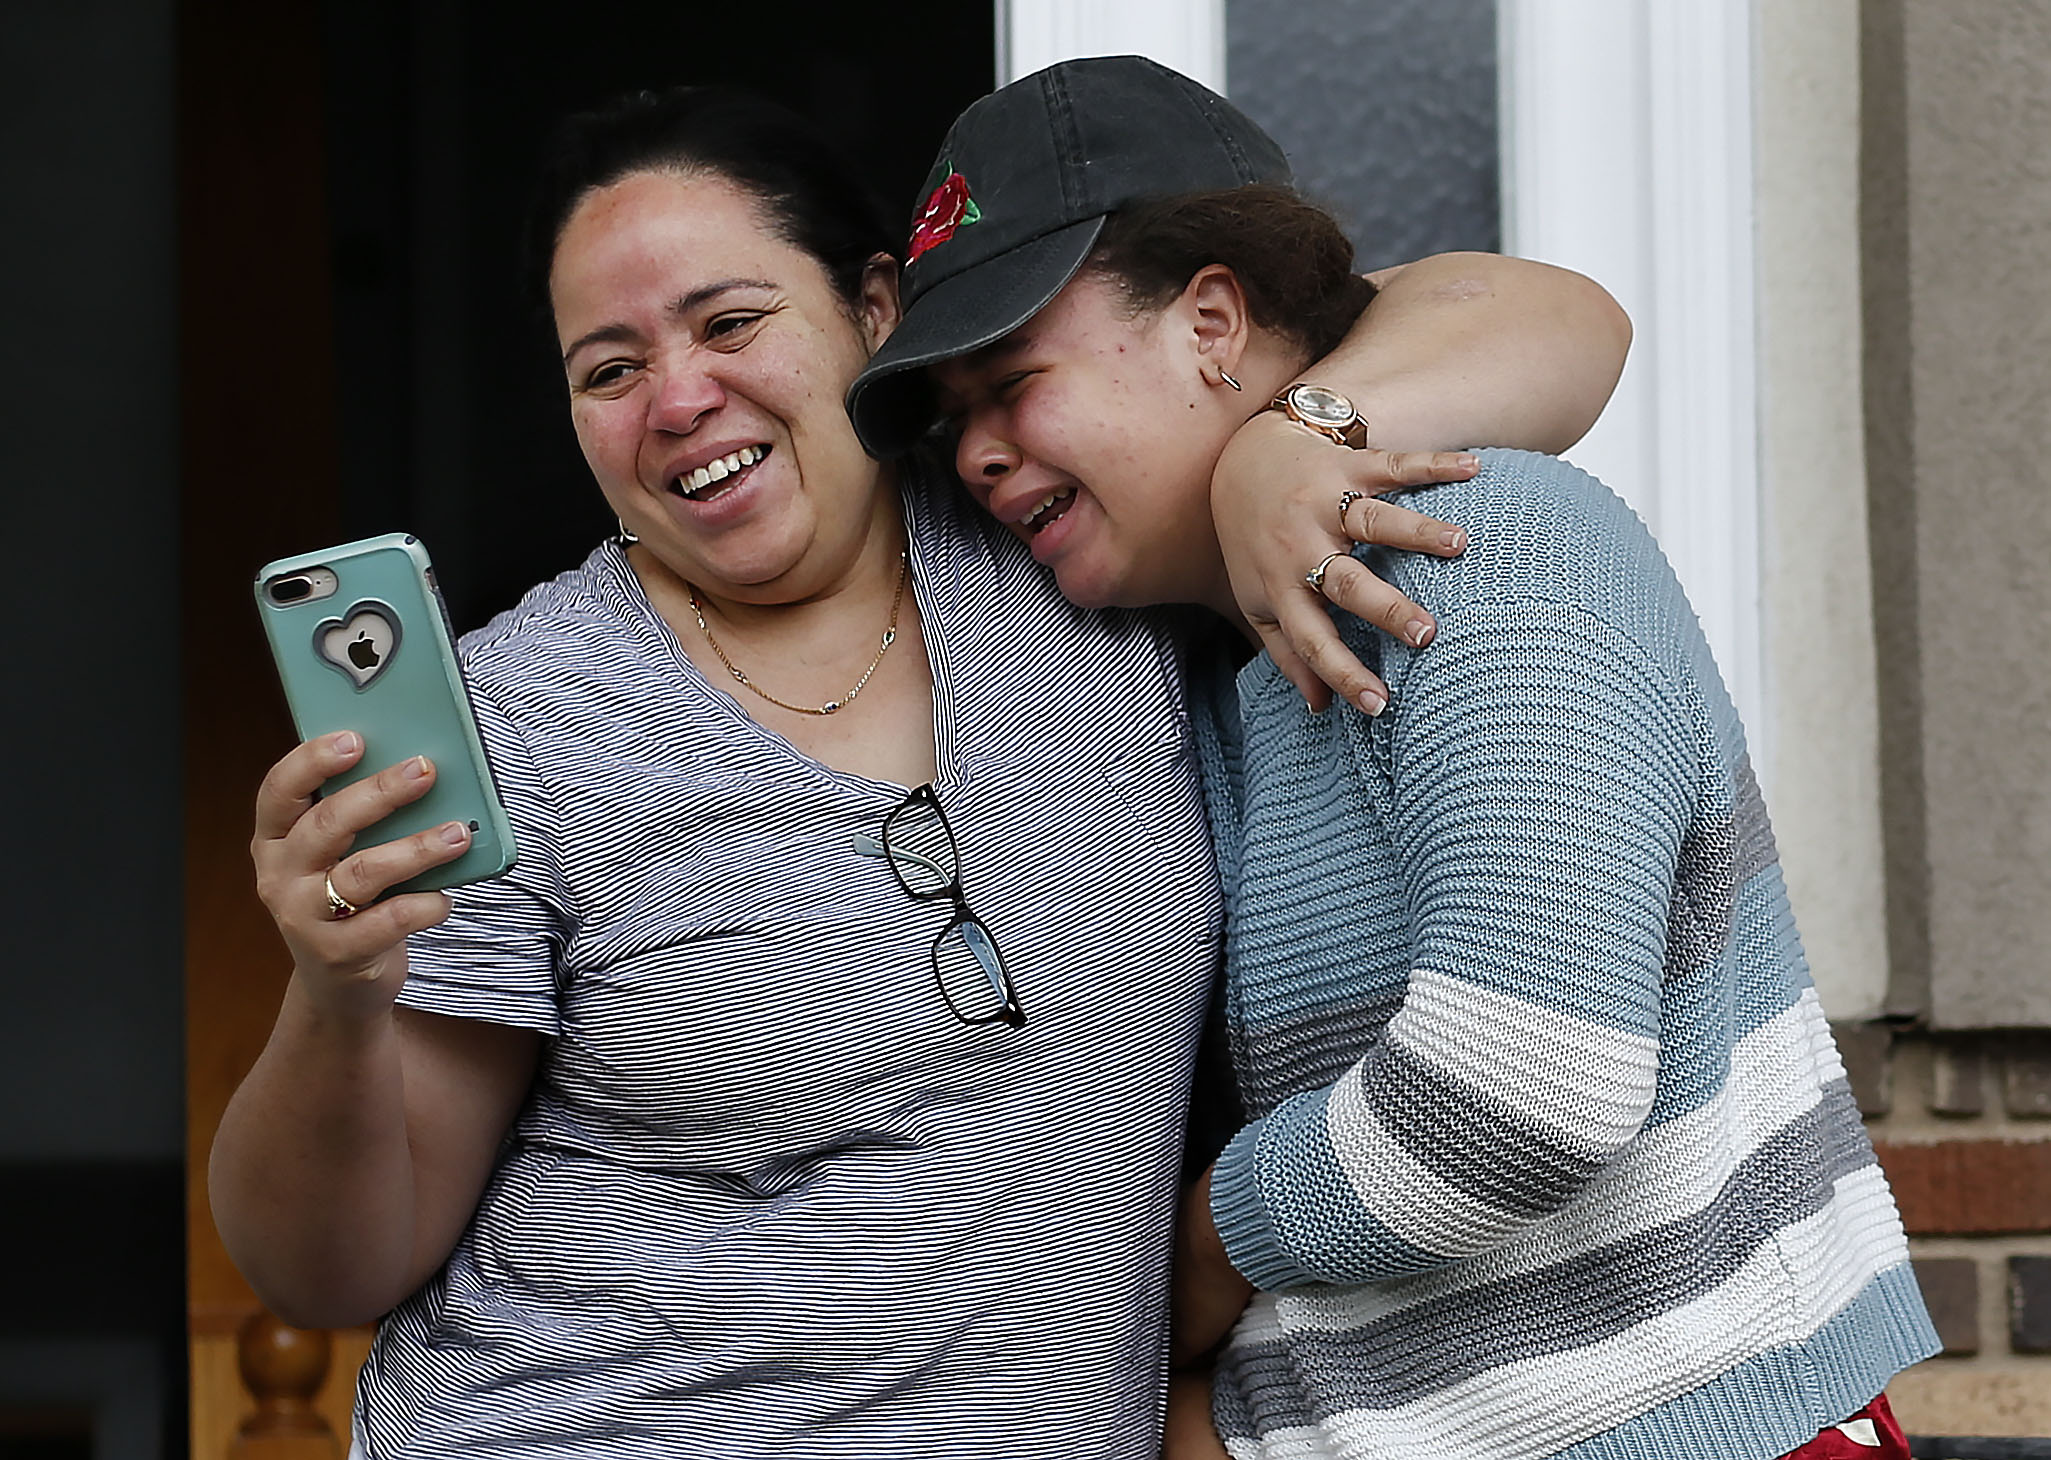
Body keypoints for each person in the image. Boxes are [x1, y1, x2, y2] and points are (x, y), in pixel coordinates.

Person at [208, 81, 1629, 1457]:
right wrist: (333, 998)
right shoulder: (524, 720)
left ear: (874, 314)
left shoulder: (1063, 536)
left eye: (732, 320)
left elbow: (1553, 321)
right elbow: (334, 1272)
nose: (681, 395)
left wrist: (1282, 444)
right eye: (611, 368)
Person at [850, 55, 1941, 1460]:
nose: (981, 459)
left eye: (1013, 382)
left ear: (1211, 323)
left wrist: (1192, 1262)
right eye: (954, 422)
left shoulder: (1483, 555)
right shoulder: (1189, 675)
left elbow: (1529, 1084)